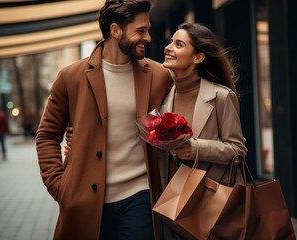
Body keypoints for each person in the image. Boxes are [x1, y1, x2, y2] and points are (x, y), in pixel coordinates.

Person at [65, 22, 248, 239]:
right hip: (171, 205)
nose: (168, 47)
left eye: (178, 44)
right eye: (171, 42)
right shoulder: (161, 95)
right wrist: (82, 136)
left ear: (197, 58)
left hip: (212, 203)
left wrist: (196, 148)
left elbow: (237, 150)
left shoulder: (221, 97)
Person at [35, 0, 173, 239]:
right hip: (84, 200)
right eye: (140, 30)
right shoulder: (71, 77)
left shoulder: (160, 76)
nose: (148, 37)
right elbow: (47, 135)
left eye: (148, 29)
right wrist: (59, 186)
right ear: (115, 30)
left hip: (139, 195)